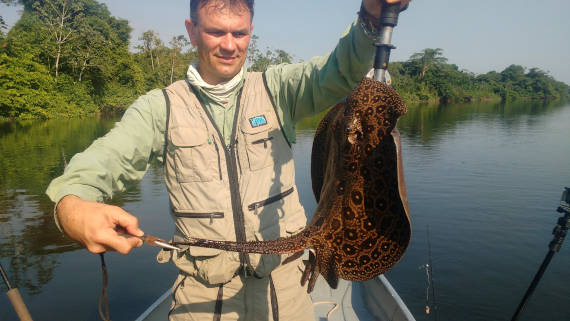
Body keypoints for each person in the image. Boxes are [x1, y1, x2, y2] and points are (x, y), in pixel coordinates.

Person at [46, 0, 411, 320]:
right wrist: (73, 206)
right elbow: (104, 160)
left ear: (251, 30)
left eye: (239, 33)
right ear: (192, 31)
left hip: (285, 286)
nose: (229, 45)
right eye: (216, 32)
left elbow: (340, 71)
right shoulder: (160, 108)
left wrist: (370, 18)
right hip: (203, 294)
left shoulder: (277, 90)